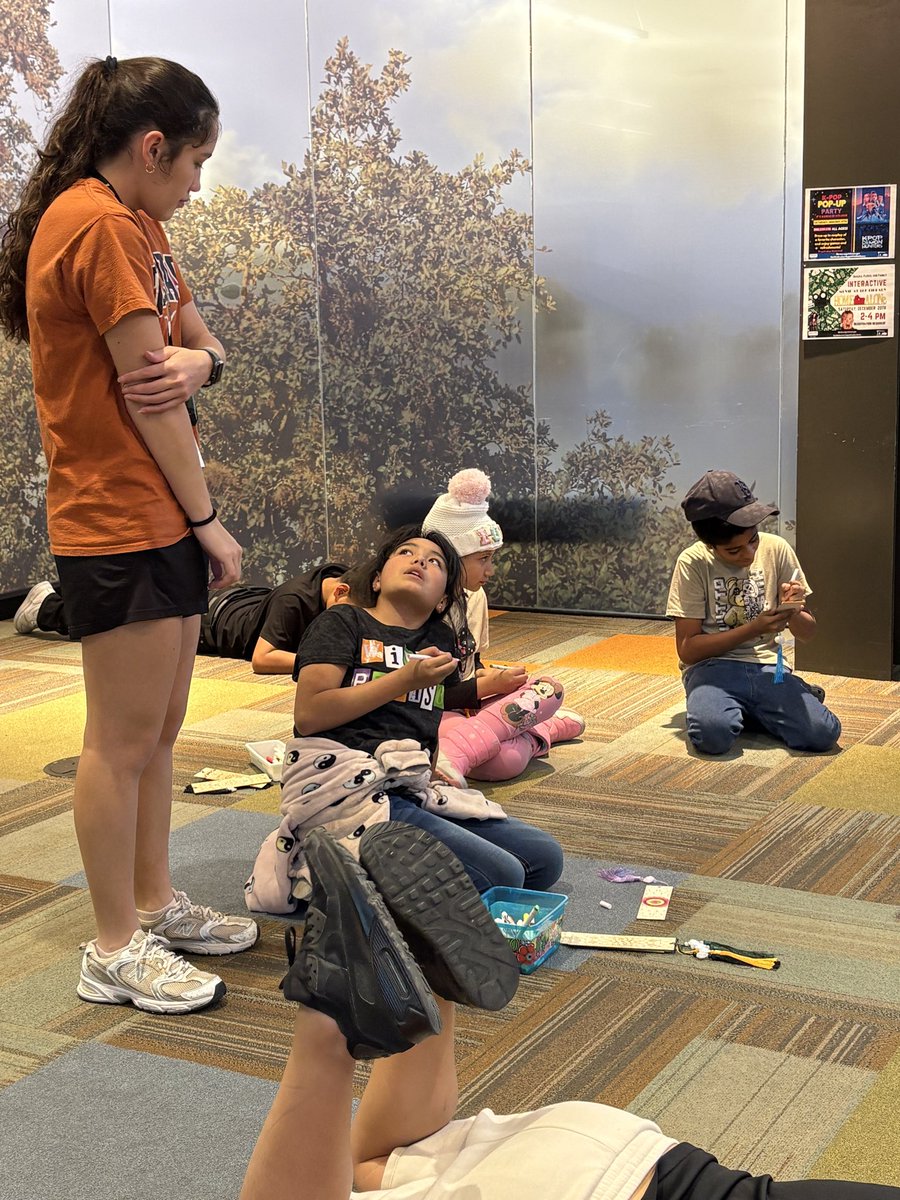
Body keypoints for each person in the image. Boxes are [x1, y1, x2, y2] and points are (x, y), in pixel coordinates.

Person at [241, 823, 899, 1200]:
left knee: (380, 1170)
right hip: (599, 1171)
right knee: (380, 1170)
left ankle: (361, 1009)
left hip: (614, 1167)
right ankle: (372, 1002)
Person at [0, 56, 258, 1013]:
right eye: (194, 162)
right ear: (153, 147)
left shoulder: (139, 222)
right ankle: (113, 945)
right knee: (117, 743)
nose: (197, 185)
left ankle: (153, 901)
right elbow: (152, 399)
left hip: (153, 513)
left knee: (160, 735)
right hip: (120, 516)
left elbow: (194, 343)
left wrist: (206, 363)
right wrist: (209, 521)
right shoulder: (100, 225)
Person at [283, 524, 563, 895]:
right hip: (348, 787)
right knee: (504, 876)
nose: (418, 560)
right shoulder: (343, 621)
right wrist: (403, 679)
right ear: (379, 578)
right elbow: (309, 714)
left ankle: (388, 873)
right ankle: (342, 868)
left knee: (544, 859)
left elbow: (431, 706)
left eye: (434, 562)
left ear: (444, 599)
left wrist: (486, 689)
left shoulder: (439, 639)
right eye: (406, 552)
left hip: (406, 786)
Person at [421, 469, 584, 785]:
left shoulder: (475, 596)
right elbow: (424, 694)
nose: (490, 570)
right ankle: (537, 728)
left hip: (475, 700)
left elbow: (472, 661)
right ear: (450, 557)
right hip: (439, 708)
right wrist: (488, 687)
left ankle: (471, 745)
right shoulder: (418, 611)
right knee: (502, 764)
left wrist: (486, 676)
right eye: (483, 559)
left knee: (550, 689)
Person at [666, 471, 841, 756]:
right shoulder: (693, 562)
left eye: (753, 540)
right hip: (711, 669)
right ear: (710, 545)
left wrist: (794, 610)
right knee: (713, 736)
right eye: (733, 551)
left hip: (768, 666)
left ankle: (760, 703)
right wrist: (753, 627)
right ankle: (761, 707)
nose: (748, 554)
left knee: (822, 733)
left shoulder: (777, 548)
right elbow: (688, 650)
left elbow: (808, 633)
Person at [13, 561, 351, 674]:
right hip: (215, 623)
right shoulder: (297, 599)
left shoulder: (348, 583)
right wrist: (327, 663)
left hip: (241, 602)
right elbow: (263, 660)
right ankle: (45, 606)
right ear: (339, 592)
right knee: (127, 625)